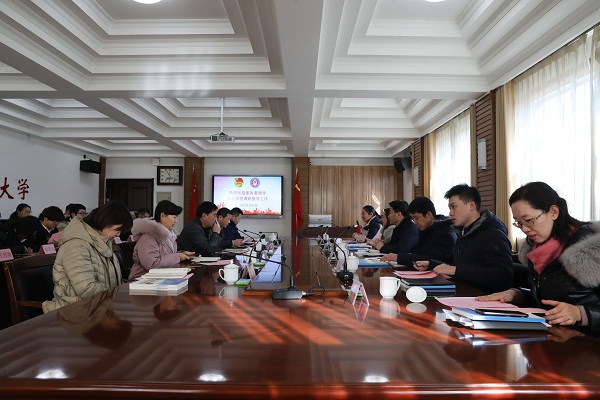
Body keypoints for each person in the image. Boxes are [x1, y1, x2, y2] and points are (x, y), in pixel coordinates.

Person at [477, 181, 600, 334]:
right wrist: (517, 294)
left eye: (529, 221)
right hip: (553, 337)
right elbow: (548, 300)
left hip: (587, 342)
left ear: (553, 212)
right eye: (519, 223)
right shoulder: (537, 250)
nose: (524, 229)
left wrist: (581, 313)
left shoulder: (591, 248)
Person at [414, 184, 513, 293]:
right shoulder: (463, 232)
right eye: (450, 208)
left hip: (483, 297)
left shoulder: (493, 235)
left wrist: (455, 270)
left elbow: (503, 275)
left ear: (471, 205)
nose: (450, 213)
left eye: (454, 207)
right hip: (462, 292)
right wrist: (431, 264)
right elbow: (458, 267)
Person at [42, 201, 133, 312]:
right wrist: (118, 295)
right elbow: (86, 288)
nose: (118, 234)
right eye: (117, 229)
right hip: (75, 308)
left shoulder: (102, 240)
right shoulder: (77, 244)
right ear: (105, 222)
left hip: (98, 304)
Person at [128, 200, 194, 280]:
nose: (176, 221)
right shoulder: (148, 237)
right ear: (162, 216)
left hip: (160, 278)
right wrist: (177, 256)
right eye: (174, 217)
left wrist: (181, 254)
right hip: (142, 280)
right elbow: (152, 264)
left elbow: (165, 255)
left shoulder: (169, 235)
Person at [381, 196, 457, 265]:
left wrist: (399, 258)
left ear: (428, 214)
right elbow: (416, 254)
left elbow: (431, 260)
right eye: (413, 219)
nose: (415, 222)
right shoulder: (423, 230)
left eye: (416, 218)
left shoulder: (445, 235)